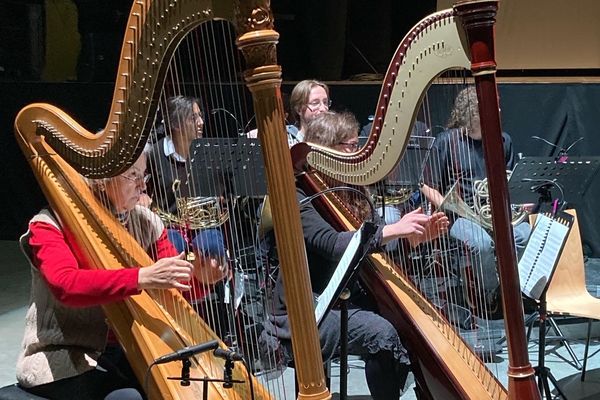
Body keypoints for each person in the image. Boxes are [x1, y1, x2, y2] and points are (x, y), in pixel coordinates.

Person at [261, 111, 449, 399]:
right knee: (382, 333)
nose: (358, 152)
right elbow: (333, 244)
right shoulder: (298, 195)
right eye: (350, 146)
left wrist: (412, 239)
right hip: (307, 309)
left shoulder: (352, 192)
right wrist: (393, 230)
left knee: (413, 326)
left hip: (347, 296)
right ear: (326, 152)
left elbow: (371, 252)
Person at [15, 149, 226, 400]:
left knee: (193, 383)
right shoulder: (48, 224)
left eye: (144, 175)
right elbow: (66, 286)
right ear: (102, 180)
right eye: (133, 175)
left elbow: (172, 284)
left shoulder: (146, 221)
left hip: (123, 350)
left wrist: (202, 279)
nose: (142, 185)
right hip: (61, 356)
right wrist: (140, 277)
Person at [421, 86, 531, 315]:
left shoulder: (503, 140)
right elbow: (425, 183)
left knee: (524, 235)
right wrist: (446, 205)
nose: (499, 109)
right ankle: (487, 295)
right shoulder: (447, 141)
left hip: (496, 212)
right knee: (480, 244)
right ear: (473, 111)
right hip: (461, 214)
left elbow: (509, 180)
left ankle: (510, 290)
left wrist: (520, 202)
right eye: (493, 105)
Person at [145, 95, 228, 263]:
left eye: (200, 116)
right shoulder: (155, 154)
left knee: (212, 249)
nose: (201, 122)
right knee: (172, 249)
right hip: (170, 226)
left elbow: (223, 192)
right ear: (175, 124)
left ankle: (210, 288)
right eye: (193, 118)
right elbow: (143, 190)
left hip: (203, 226)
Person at [288, 79, 332, 145]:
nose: (323, 109)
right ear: (299, 109)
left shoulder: (334, 137)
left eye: (325, 102)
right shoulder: (287, 138)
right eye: (315, 103)